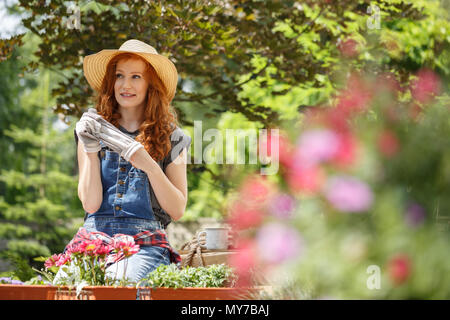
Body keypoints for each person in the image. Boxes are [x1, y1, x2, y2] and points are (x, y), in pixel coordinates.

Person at [68, 39, 191, 283]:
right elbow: (91, 205)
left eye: (136, 77)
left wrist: (149, 165)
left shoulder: (173, 138)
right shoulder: (91, 131)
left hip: (145, 243)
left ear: (150, 85)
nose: (125, 84)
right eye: (119, 76)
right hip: (94, 239)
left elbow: (177, 209)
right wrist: (91, 149)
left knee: (117, 285)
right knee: (66, 286)